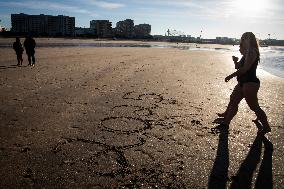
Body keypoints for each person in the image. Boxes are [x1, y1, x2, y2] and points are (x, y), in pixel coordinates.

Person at [221, 32, 271, 134]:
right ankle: (225, 124)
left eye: (245, 38)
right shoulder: (247, 52)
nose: (243, 40)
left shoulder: (252, 51)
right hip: (243, 82)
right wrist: (235, 61)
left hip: (250, 83)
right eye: (242, 38)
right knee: (233, 100)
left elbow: (244, 69)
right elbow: (238, 66)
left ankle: (266, 127)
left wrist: (230, 76)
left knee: (254, 107)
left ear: (251, 39)